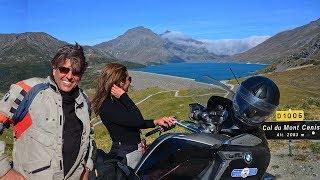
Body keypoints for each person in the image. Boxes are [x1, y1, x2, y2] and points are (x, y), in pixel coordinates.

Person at [0, 43, 94, 180]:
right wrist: (4, 172)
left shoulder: (84, 100)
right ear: (54, 67)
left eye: (76, 72)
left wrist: (87, 167)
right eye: (64, 69)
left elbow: (89, 136)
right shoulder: (27, 90)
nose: (69, 76)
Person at [92, 63, 175, 165]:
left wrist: (156, 122)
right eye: (129, 79)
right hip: (126, 153)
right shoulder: (108, 105)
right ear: (121, 82)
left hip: (131, 150)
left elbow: (132, 122)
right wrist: (124, 96)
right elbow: (138, 121)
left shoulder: (113, 102)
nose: (130, 82)